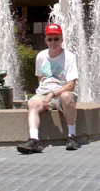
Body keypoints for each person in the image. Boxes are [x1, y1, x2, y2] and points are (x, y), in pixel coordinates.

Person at [17, 23, 79, 154]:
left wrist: (52, 93)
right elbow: (40, 79)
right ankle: (34, 140)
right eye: (49, 39)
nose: (53, 42)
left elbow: (72, 84)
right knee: (33, 104)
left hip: (61, 93)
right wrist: (45, 94)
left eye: (56, 39)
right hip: (44, 94)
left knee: (66, 96)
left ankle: (72, 137)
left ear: (61, 39)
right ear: (45, 40)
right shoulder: (41, 56)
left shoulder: (69, 57)